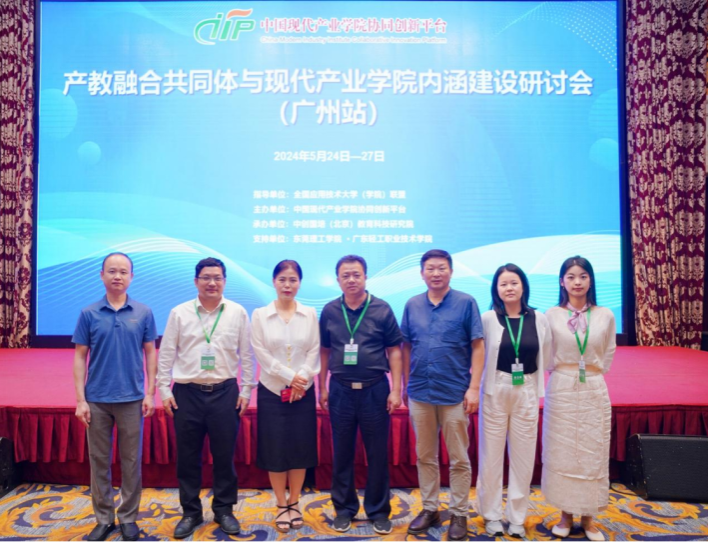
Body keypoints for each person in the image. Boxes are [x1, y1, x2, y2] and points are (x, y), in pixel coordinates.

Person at [157, 257, 256, 540]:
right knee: (187, 458)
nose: (212, 283)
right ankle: (191, 512)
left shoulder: (237, 312)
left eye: (217, 278)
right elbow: (167, 352)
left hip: (225, 393)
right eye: (206, 278)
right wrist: (164, 389)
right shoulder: (179, 313)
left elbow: (247, 354)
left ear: (224, 281)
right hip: (187, 394)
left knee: (224, 456)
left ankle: (224, 509)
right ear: (196, 281)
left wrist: (246, 390)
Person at [72, 252, 158, 543]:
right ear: (102, 275)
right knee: (99, 460)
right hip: (97, 399)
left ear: (131, 276)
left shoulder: (143, 312)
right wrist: (80, 399)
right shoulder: (89, 313)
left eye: (123, 271)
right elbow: (80, 357)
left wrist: (150, 393)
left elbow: (150, 353)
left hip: (132, 399)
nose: (117, 276)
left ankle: (129, 517)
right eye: (112, 271)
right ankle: (104, 518)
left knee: (131, 460)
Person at [401, 249, 484, 542]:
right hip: (420, 392)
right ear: (422, 273)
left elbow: (477, 346)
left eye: (441, 268)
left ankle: (459, 512)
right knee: (425, 455)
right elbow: (406, 346)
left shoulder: (466, 302)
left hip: (454, 393)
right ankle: (430, 508)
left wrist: (474, 388)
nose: (436, 273)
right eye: (430, 268)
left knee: (459, 458)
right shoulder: (412, 305)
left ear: (451, 271)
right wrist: (405, 383)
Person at [318, 255, 403, 535]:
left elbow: (394, 350)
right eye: (346, 275)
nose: (351, 280)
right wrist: (322, 386)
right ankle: (344, 510)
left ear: (365, 277)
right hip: (341, 390)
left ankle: (378, 511)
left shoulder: (382, 308)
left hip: (375, 390)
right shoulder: (330, 310)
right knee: (342, 453)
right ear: (338, 280)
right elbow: (325, 351)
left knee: (377, 454)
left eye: (356, 274)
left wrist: (396, 389)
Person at [542, 256, 616, 543]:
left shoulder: (605, 315)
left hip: (593, 387)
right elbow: (547, 353)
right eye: (571, 276)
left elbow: (608, 352)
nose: (577, 282)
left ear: (590, 280)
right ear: (562, 281)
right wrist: (565, 371)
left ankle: (588, 518)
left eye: (583, 276)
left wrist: (592, 372)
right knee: (563, 452)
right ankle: (565, 515)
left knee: (592, 452)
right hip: (561, 386)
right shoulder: (551, 315)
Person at [475, 264, 552, 538]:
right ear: (496, 289)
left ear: (523, 286)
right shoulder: (487, 318)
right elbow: (478, 354)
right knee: (491, 456)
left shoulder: (539, 318)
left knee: (523, 457)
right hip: (496, 389)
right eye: (503, 284)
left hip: (526, 389)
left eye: (514, 283)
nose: (509, 288)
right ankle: (491, 514)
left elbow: (546, 354)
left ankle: (517, 517)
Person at [251, 260, 320, 533]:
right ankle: (281, 504)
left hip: (303, 391)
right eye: (282, 279)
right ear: (274, 282)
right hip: (271, 390)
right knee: (275, 449)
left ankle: (295, 502)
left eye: (293, 280)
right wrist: (290, 377)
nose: (287, 285)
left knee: (300, 449)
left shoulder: (309, 313)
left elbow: (314, 350)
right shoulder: (260, 315)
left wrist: (301, 380)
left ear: (299, 283)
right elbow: (261, 352)